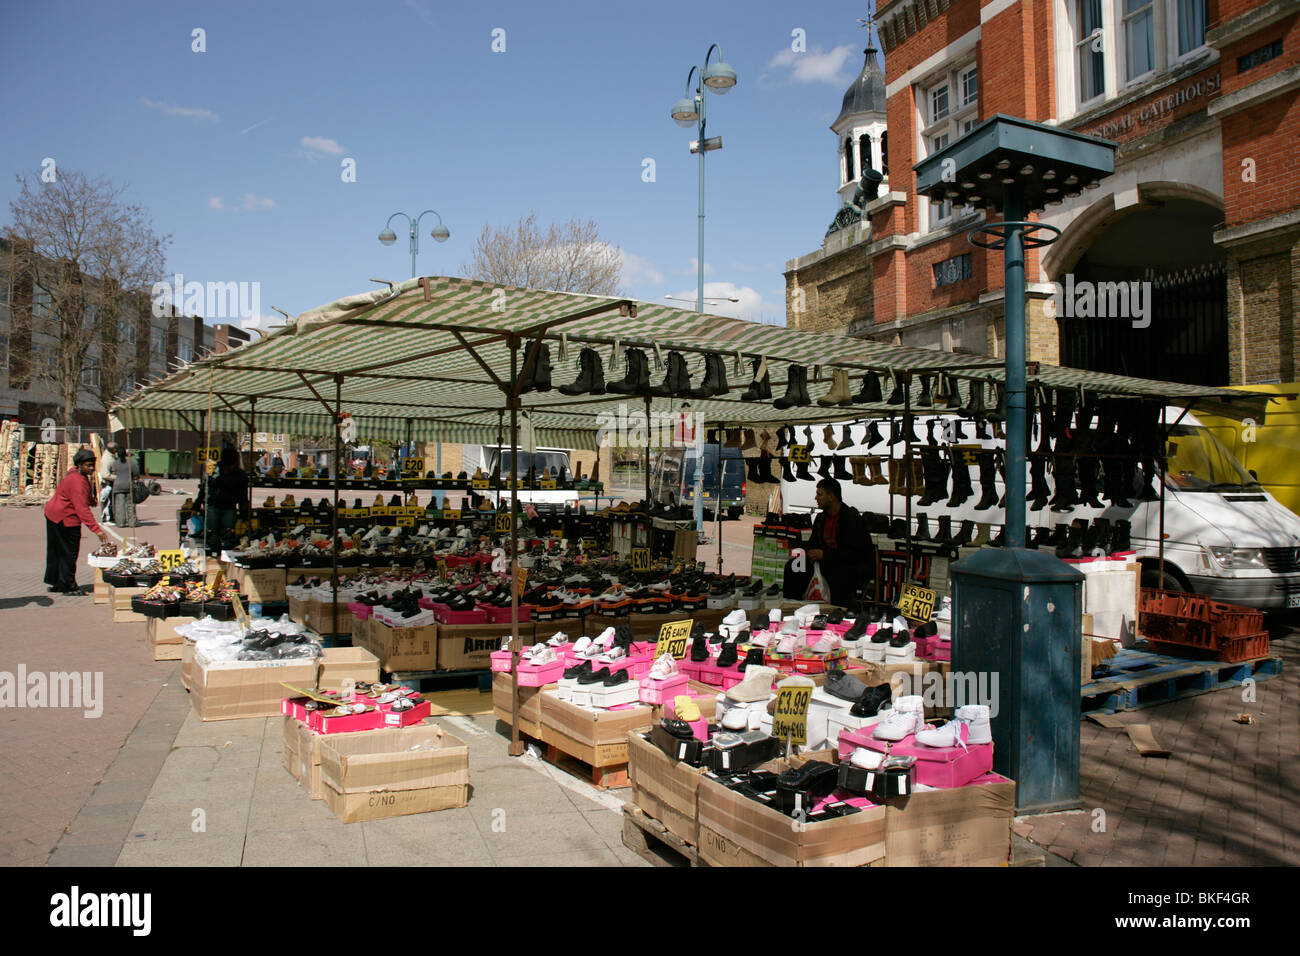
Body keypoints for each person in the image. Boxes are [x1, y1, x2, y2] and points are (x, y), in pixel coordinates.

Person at [44, 449, 110, 594]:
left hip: (53, 514)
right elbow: (82, 510)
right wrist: (96, 529)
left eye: (93, 464)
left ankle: (57, 582)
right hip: (64, 518)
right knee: (69, 553)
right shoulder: (77, 482)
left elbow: (82, 495)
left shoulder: (75, 473)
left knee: (56, 551)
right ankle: (68, 586)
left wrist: (91, 498)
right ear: (79, 465)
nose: (92, 468)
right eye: (88, 465)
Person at [806, 477, 875, 609]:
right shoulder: (821, 518)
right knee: (794, 567)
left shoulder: (851, 519)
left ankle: (837, 611)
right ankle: (795, 605)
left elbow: (855, 554)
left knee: (839, 575)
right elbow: (812, 542)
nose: (816, 498)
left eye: (819, 494)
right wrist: (810, 553)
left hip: (848, 568)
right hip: (824, 564)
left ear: (831, 497)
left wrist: (824, 555)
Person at [195, 447, 248, 543]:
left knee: (227, 536)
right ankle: (212, 554)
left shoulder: (240, 475)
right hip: (213, 506)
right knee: (211, 536)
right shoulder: (214, 471)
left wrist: (244, 515)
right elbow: (204, 489)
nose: (231, 467)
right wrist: (196, 505)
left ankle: (222, 553)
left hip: (228, 508)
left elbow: (243, 497)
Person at [108, 445, 141, 528]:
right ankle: (132, 522)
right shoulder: (131, 463)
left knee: (120, 505)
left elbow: (112, 472)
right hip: (129, 485)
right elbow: (136, 473)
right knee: (130, 505)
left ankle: (120, 523)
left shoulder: (114, 463)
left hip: (118, 486)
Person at [98, 442, 117, 524]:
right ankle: (106, 517)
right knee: (106, 500)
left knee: (110, 501)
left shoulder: (111, 456)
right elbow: (105, 474)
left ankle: (110, 516)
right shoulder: (107, 459)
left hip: (110, 482)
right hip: (107, 483)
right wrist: (117, 477)